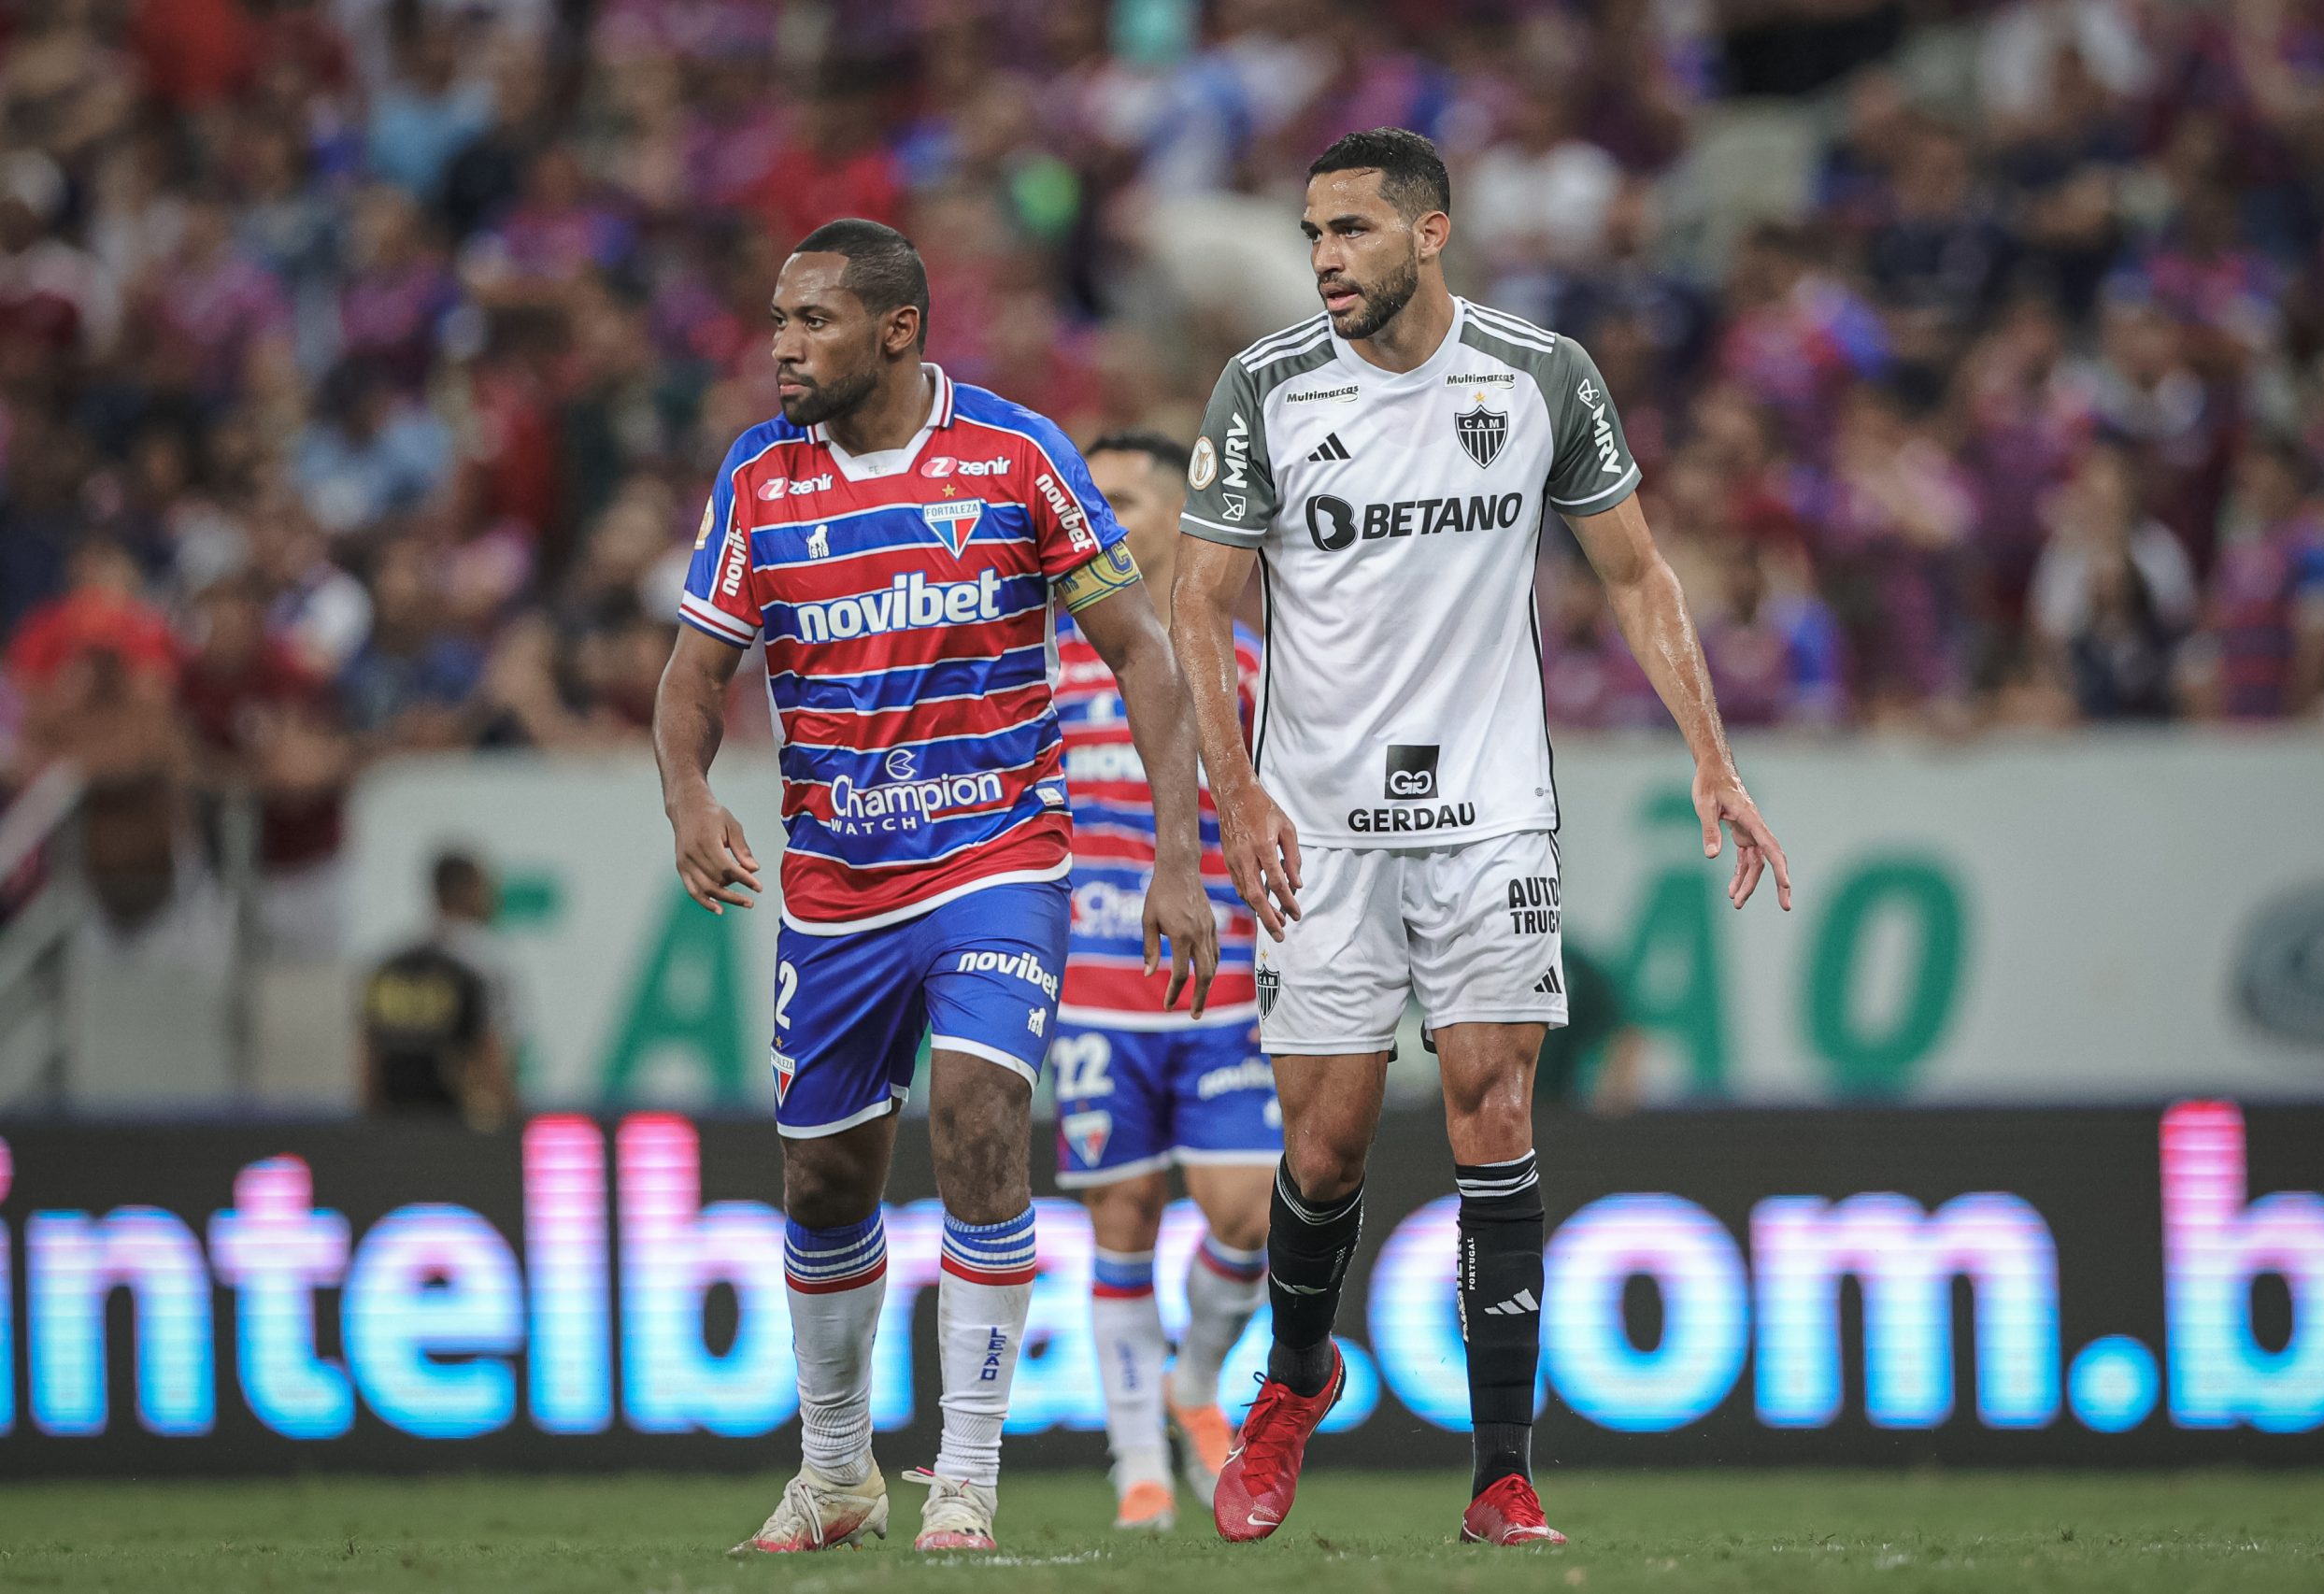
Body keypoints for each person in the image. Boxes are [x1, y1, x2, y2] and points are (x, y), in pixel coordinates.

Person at [1173, 130, 1793, 1547]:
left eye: (1352, 231)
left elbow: (1635, 573)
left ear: (1432, 233)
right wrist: (1239, 789)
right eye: (1314, 232)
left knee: (1493, 1115)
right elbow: (1199, 606)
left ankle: (1502, 1472)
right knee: (1325, 1149)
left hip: (1491, 810)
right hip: (1318, 821)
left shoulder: (1539, 375)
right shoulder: (1266, 387)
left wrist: (1715, 755)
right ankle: (1293, 1380)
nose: (1325, 256)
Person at [652, 219, 1217, 1556]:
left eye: (813, 323)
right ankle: (836, 1469)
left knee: (977, 1111)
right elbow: (691, 679)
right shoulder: (757, 478)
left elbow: (1139, 654)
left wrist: (1181, 857)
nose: (782, 347)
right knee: (827, 1184)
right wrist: (688, 795)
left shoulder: (1017, 455)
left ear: (897, 330)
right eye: (779, 321)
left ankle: (964, 1474)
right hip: (837, 887)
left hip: (998, 859)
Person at [1048, 430, 1276, 1532]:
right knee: (1122, 1223)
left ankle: (1194, 1376)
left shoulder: (1242, 662)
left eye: (1130, 495)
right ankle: (1139, 1464)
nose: (1109, 511)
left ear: (1181, 515)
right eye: (1097, 495)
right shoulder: (1041, 659)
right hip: (1096, 995)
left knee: (1249, 1215)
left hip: (1226, 990)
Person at [358, 850, 519, 1128]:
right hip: (460, 1126)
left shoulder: (390, 965)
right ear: (469, 889)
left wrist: (372, 1127)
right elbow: (491, 1050)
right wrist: (511, 1121)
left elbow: (370, 1060)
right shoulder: (486, 961)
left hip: (397, 1126)